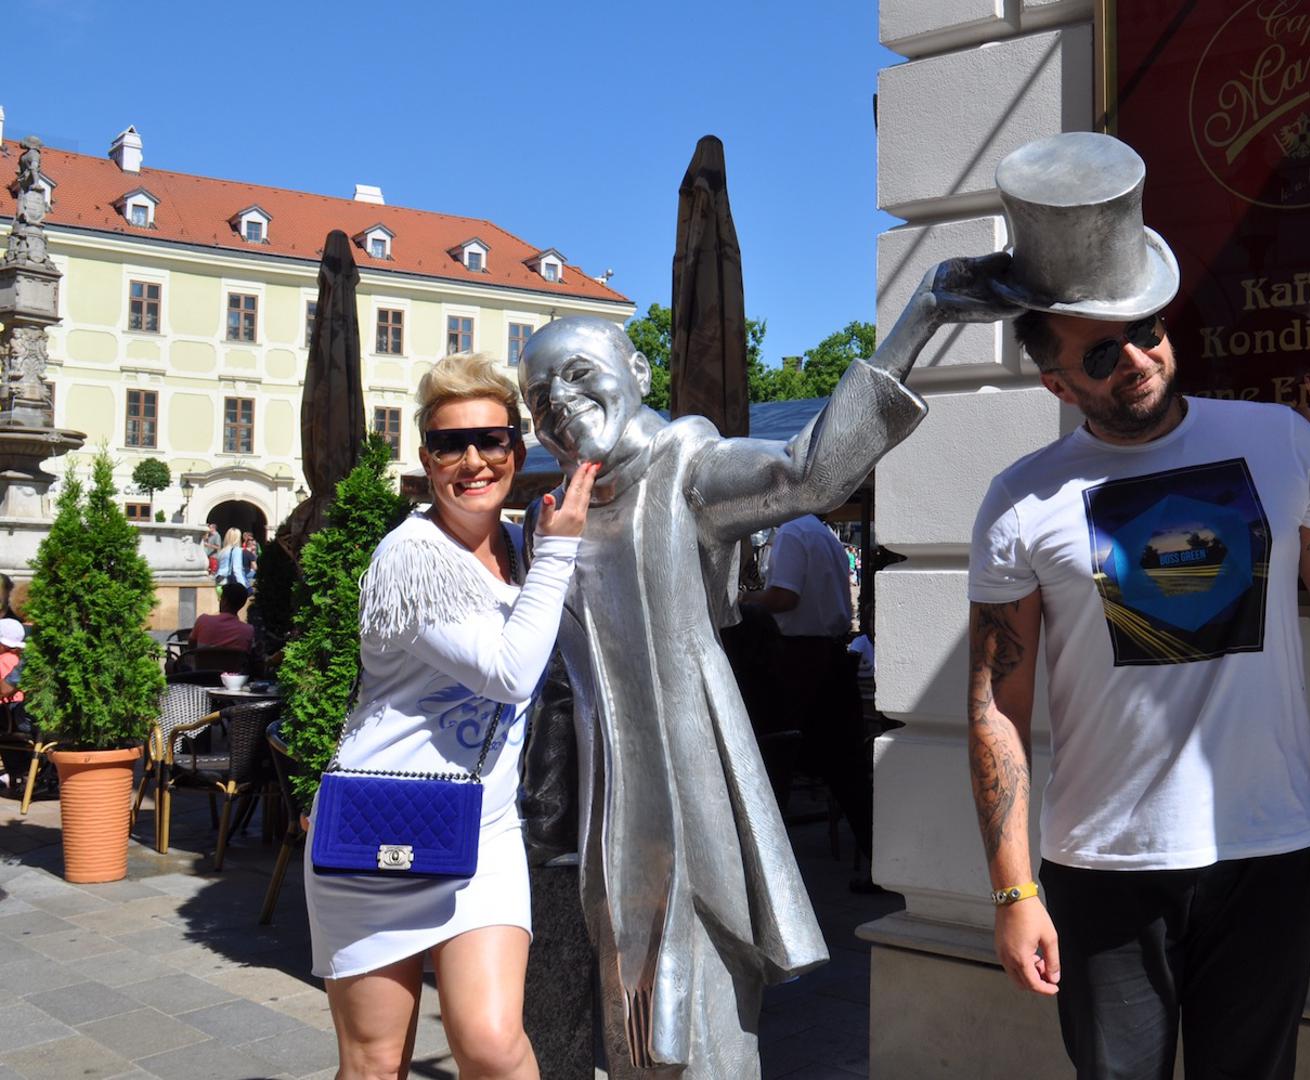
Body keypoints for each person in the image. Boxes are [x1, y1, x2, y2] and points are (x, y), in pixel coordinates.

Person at [963, 133, 1310, 1079]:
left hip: (1270, 851)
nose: (1137, 356)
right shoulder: (1022, 500)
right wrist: (1012, 889)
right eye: (1102, 352)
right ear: (1056, 382)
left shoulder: (1282, 445)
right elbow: (997, 706)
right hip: (1104, 871)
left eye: (1148, 328)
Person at [517, 264, 1005, 1077]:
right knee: (632, 1036)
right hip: (609, 821)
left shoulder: (687, 468)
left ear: (637, 371)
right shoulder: (564, 515)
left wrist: (919, 319)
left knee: (697, 1034)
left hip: (689, 803)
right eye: (539, 397)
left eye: (576, 374)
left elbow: (805, 473)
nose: (558, 403)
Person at [302, 351, 595, 1080]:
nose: (472, 461)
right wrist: (561, 549)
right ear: (425, 458)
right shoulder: (410, 557)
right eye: (448, 445)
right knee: (376, 1063)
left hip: (484, 826)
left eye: (490, 440)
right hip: (378, 827)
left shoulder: (524, 545)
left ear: (515, 450)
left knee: (493, 1045)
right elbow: (507, 674)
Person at [744, 514, 872, 875]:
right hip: (831, 656)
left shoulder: (791, 533)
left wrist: (743, 599)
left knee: (774, 759)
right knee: (847, 769)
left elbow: (785, 597)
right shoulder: (824, 535)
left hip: (800, 658)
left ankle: (766, 863)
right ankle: (877, 857)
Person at [189, 581, 255, 652]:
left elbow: (191, 647)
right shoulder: (248, 630)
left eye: (221, 598)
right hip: (232, 660)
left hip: (203, 659)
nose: (219, 601)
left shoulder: (203, 620)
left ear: (225, 601)